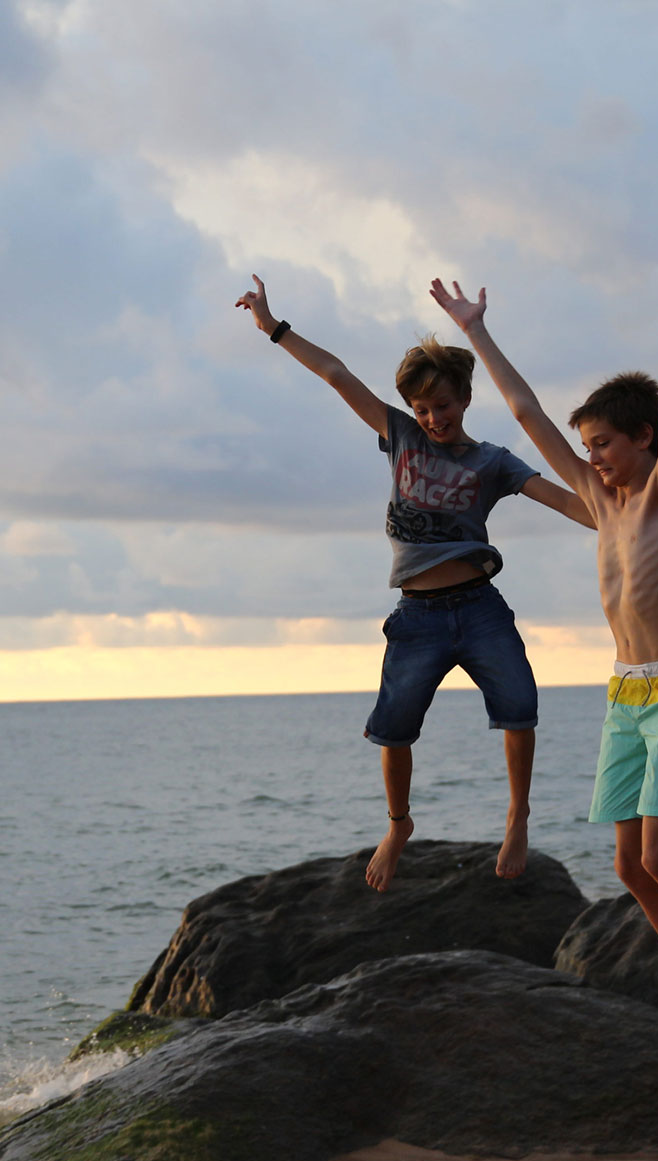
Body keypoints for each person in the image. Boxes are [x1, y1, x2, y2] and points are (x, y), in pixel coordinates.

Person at [431, 238, 658, 1080]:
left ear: (644, 442)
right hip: (625, 696)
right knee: (626, 864)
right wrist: (478, 332)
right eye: (588, 446)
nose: (592, 457)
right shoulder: (595, 499)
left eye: (605, 444)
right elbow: (525, 413)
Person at [234, 277, 595, 889]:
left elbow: (565, 502)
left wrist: (627, 518)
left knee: (520, 709)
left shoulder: (493, 462)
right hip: (418, 616)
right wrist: (273, 326)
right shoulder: (399, 435)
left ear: (465, 400)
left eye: (443, 406)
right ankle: (399, 824)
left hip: (479, 608)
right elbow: (337, 374)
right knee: (393, 727)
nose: (432, 418)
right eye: (423, 408)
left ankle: (518, 816)